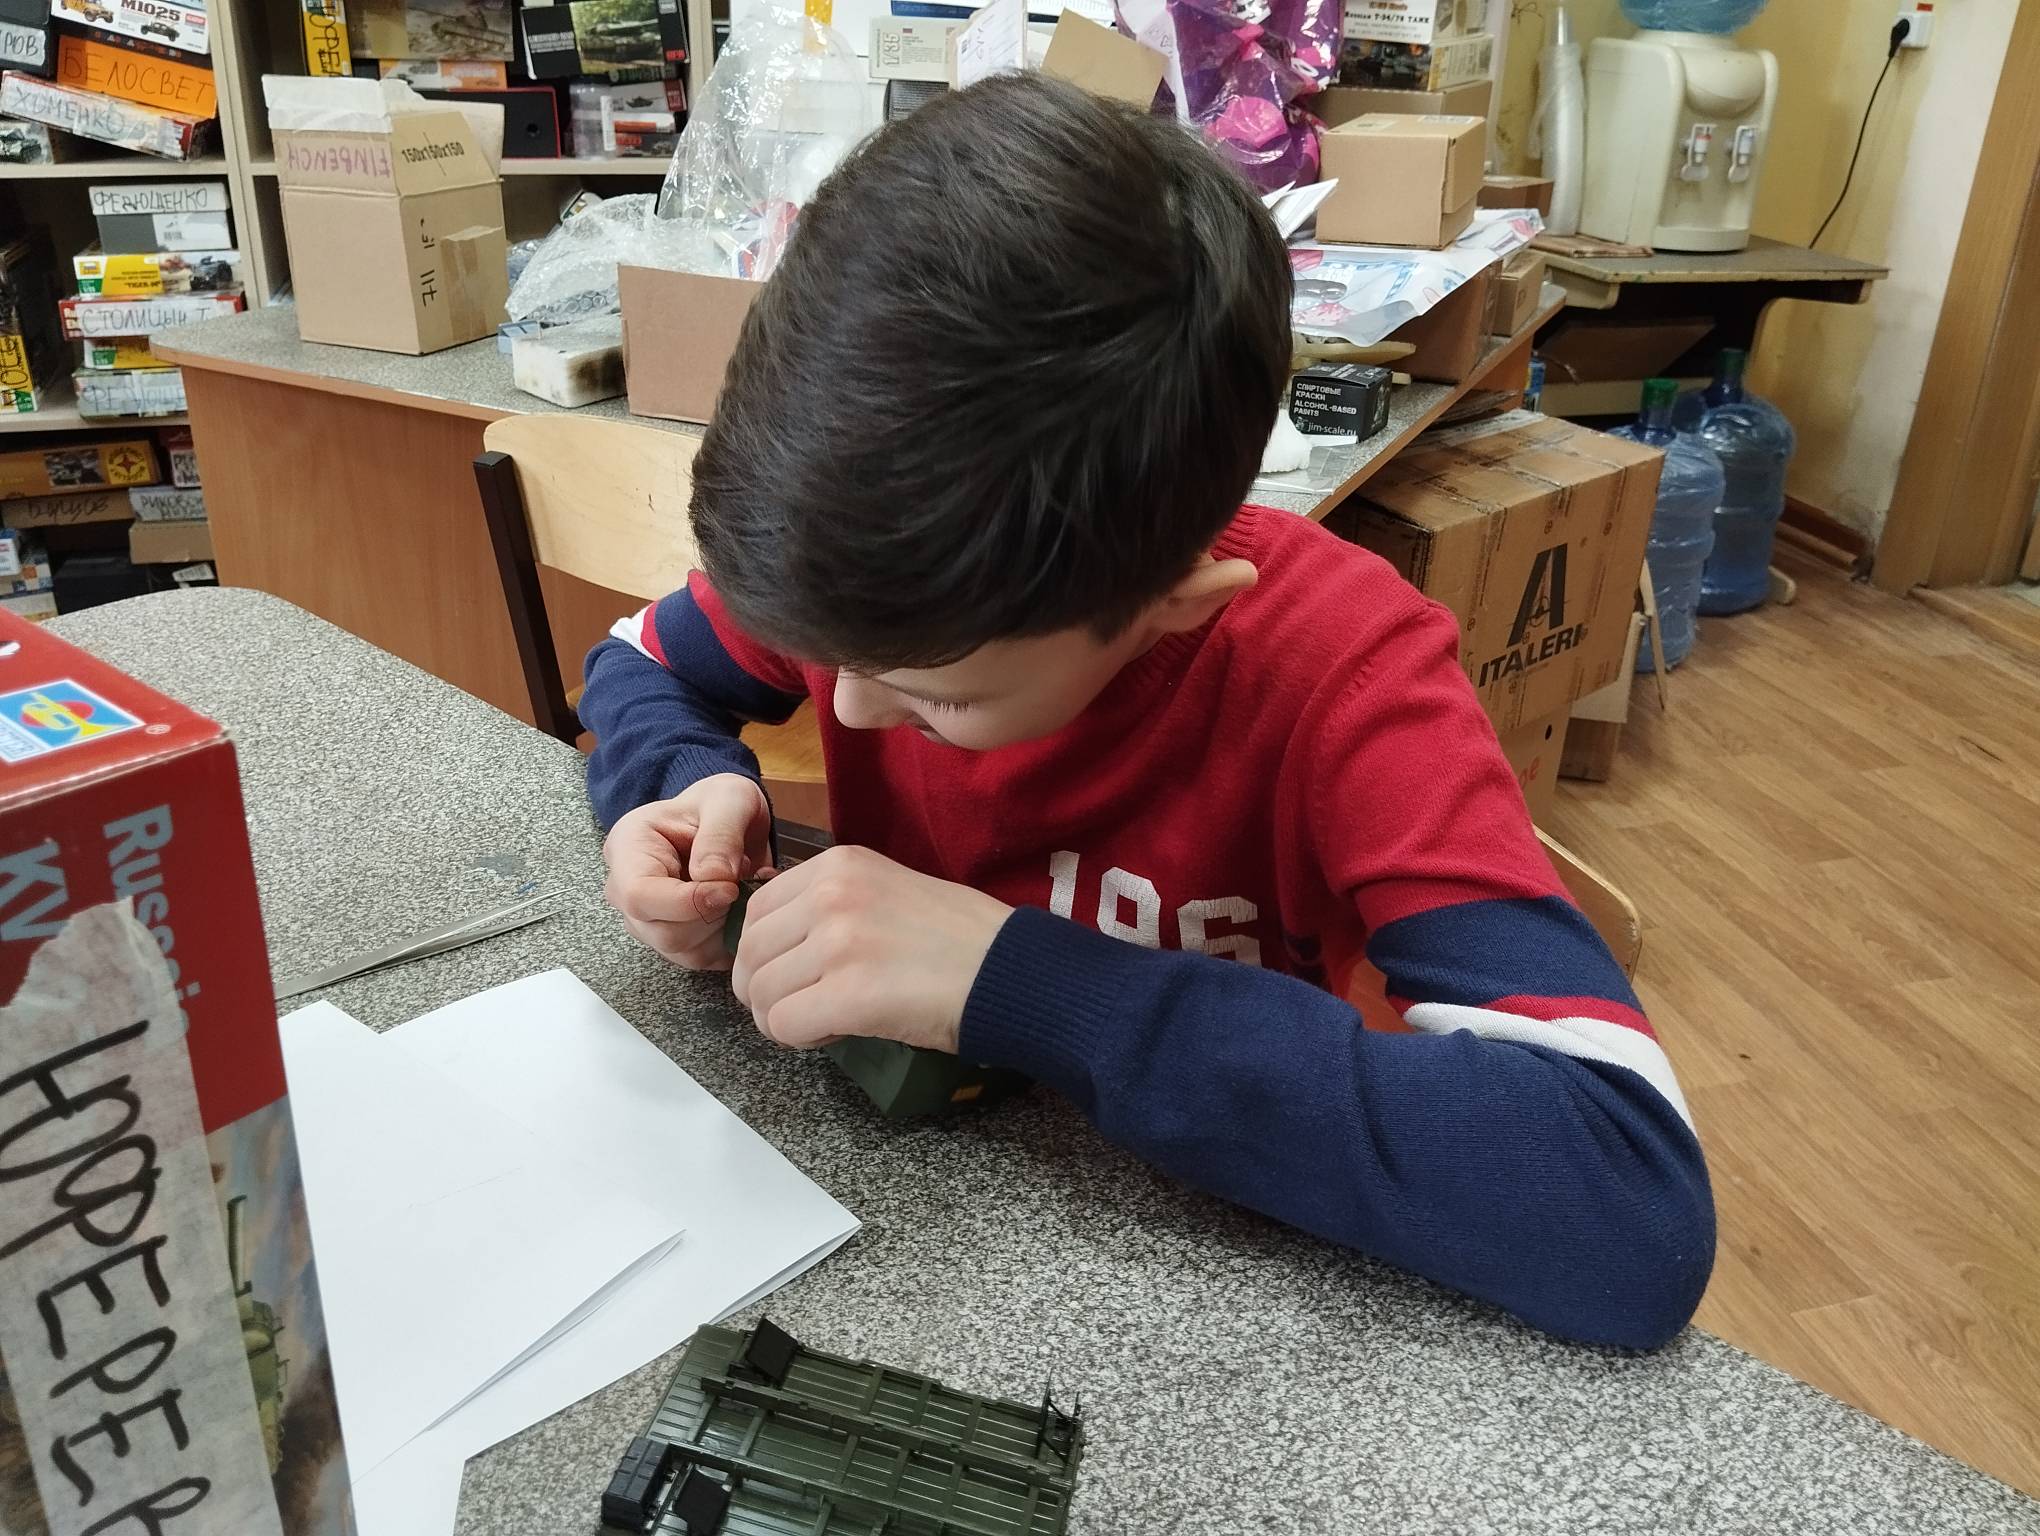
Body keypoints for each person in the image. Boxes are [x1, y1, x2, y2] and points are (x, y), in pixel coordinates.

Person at [582, 72, 1713, 1349]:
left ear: (1174, 607)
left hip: (1219, 1292)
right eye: (817, 655)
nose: (844, 704)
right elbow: (640, 665)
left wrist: (1017, 982)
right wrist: (682, 787)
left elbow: (1628, 1204)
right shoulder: (883, 585)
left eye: (940, 696)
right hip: (939, 1234)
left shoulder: (1343, 670)